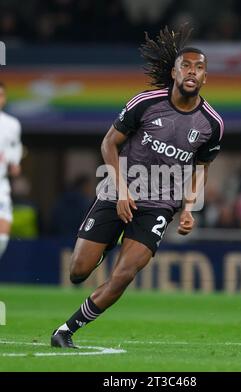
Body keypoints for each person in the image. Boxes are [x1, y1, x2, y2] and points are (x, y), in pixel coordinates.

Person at [51, 25, 224, 348]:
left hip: (160, 203)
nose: (192, 72)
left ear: (205, 78)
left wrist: (188, 208)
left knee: (124, 275)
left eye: (199, 68)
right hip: (120, 189)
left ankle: (65, 330)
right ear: (174, 72)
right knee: (78, 271)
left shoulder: (212, 124)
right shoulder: (145, 103)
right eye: (186, 65)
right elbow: (108, 145)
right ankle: (108, 243)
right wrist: (122, 190)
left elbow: (201, 167)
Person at [0, 82, 22, 260]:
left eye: (1, 95)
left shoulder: (12, 124)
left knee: (2, 238)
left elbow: (14, 155)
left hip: (1, 186)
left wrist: (14, 165)